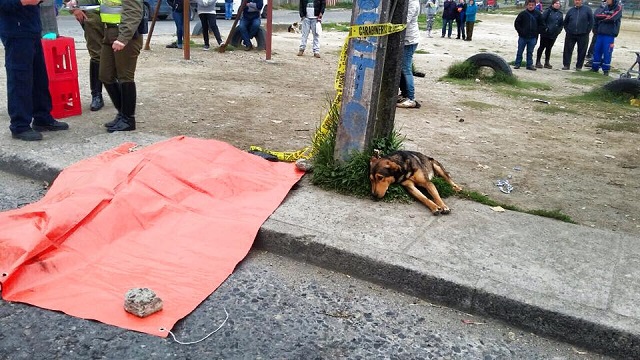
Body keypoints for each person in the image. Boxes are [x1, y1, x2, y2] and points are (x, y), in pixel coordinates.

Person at [0, 0, 70, 141]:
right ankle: (20, 125)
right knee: (20, 79)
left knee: (39, 77)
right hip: (15, 31)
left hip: (32, 28)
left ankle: (42, 117)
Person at [99, 0, 143, 132]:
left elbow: (134, 12)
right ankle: (122, 113)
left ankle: (128, 119)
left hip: (125, 35)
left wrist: (123, 37)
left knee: (125, 76)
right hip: (109, 33)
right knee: (105, 75)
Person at [69, 0, 105, 111]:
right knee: (96, 54)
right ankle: (96, 95)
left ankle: (120, 90)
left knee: (116, 52)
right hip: (90, 14)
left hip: (114, 14)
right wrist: (74, 9)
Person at [397, 0, 420, 109]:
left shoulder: (412, 3)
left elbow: (405, 21)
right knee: (402, 67)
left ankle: (411, 98)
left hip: (409, 40)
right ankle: (405, 94)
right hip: (405, 39)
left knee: (406, 68)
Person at [591, 0, 622, 76]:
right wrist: (606, 16)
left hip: (609, 35)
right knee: (597, 50)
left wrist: (605, 16)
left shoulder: (618, 8)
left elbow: (612, 18)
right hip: (600, 33)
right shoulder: (605, 7)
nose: (607, 1)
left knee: (607, 52)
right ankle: (595, 67)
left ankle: (606, 70)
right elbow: (597, 16)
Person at [561, 0, 593, 71]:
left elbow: (591, 21)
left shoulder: (587, 10)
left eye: (578, 0)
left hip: (583, 34)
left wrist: (587, 31)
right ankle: (566, 65)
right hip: (571, 34)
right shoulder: (571, 10)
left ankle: (579, 66)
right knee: (567, 49)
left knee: (582, 51)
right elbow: (566, 21)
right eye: (575, 0)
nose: (577, 2)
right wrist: (568, 30)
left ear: (581, 1)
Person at [513, 0, 543, 71]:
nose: (531, 6)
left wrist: (537, 32)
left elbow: (542, 24)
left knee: (530, 52)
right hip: (523, 37)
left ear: (535, 5)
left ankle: (529, 65)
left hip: (533, 37)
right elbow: (517, 24)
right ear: (527, 5)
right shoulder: (522, 14)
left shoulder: (538, 14)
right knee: (520, 51)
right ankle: (517, 64)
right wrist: (521, 32)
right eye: (529, 5)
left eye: (532, 5)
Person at [535, 0, 563, 69]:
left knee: (549, 48)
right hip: (545, 33)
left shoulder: (560, 13)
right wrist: (545, 29)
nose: (557, 5)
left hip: (554, 34)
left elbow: (561, 24)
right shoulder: (548, 11)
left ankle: (547, 62)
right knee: (542, 47)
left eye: (559, 4)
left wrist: (559, 31)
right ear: (553, 4)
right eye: (556, 3)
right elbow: (542, 20)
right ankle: (538, 61)